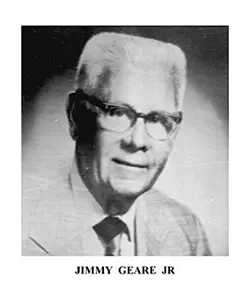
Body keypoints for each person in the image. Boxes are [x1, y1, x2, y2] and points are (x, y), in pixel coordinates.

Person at [22, 32, 212, 256]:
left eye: (158, 119)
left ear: (174, 133)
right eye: (117, 112)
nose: (137, 141)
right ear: (75, 116)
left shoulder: (187, 232)